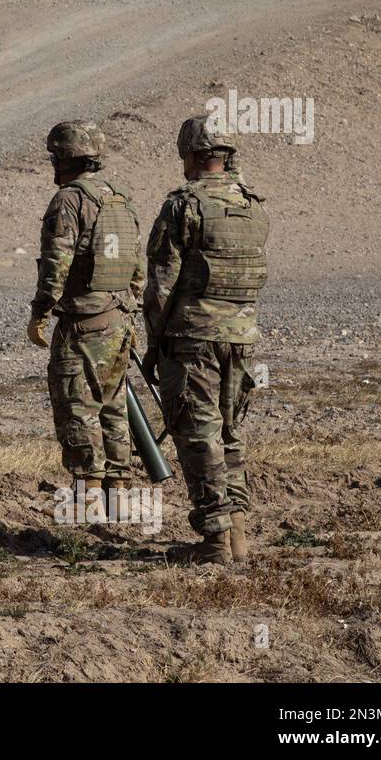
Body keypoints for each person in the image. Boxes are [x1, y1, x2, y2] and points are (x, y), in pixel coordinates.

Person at [144, 115, 270, 564]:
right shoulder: (253, 206)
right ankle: (238, 537)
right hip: (239, 338)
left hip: (192, 339)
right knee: (229, 434)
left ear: (193, 155)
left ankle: (216, 541)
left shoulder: (183, 204)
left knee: (199, 436)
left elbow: (161, 282)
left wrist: (153, 342)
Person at [27, 121, 143, 517]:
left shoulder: (69, 201)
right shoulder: (120, 200)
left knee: (77, 407)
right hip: (119, 318)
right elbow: (136, 267)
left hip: (83, 322)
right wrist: (130, 309)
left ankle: (88, 508)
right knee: (113, 408)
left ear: (64, 157)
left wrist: (40, 311)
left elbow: (56, 266)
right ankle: (121, 503)